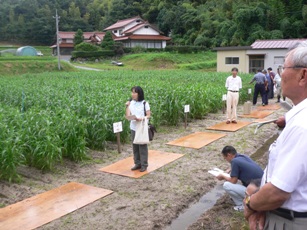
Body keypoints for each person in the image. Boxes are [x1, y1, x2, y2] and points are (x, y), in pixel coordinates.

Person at [244, 41, 307, 230]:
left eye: (283, 68)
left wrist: (250, 204)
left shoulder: (301, 126)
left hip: (291, 221)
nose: (280, 76)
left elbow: (278, 192)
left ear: (303, 75)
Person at [216, 146, 263, 211]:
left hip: (256, 194)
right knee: (234, 178)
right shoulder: (242, 156)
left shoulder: (234, 161)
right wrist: (229, 170)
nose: (226, 160)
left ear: (229, 155)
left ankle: (241, 205)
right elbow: (240, 165)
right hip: (262, 188)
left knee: (226, 185)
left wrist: (223, 175)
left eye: (225, 158)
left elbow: (233, 181)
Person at [125, 86, 151, 172]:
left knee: (142, 146)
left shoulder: (144, 103)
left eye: (134, 92)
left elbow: (148, 115)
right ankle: (137, 163)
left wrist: (142, 118)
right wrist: (127, 106)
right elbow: (128, 115)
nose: (132, 94)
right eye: (132, 92)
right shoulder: (131, 103)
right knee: (135, 146)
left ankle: (144, 165)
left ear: (139, 94)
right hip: (133, 127)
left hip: (142, 127)